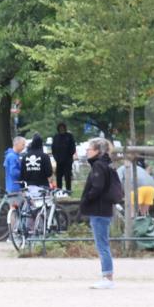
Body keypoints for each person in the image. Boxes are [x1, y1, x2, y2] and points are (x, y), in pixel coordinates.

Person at [80, 138, 118, 289]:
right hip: (104, 209)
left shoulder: (98, 166)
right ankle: (107, 275)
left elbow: (97, 187)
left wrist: (87, 199)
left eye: (89, 148)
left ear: (97, 151)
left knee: (102, 244)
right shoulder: (106, 164)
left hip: (99, 209)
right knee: (103, 243)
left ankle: (107, 277)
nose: (87, 151)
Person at [52, 122, 77, 192]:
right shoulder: (56, 137)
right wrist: (56, 158)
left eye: (63, 128)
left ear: (65, 128)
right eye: (60, 128)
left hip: (68, 160)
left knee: (68, 176)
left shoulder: (69, 136)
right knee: (58, 176)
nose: (61, 129)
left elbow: (73, 147)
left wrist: (69, 156)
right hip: (59, 161)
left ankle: (68, 190)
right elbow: (53, 148)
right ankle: (59, 190)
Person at [4, 136, 26, 204]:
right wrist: (24, 173)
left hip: (12, 186)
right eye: (23, 144)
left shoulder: (12, 155)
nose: (24, 147)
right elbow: (13, 172)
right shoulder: (12, 157)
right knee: (15, 209)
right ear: (17, 144)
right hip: (14, 187)